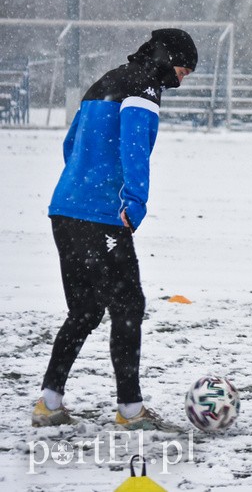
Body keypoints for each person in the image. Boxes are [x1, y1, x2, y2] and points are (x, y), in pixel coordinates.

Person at [32, 29, 198, 431]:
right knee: (128, 307)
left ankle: (49, 402)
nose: (183, 78)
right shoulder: (144, 87)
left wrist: (81, 182)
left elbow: (70, 145)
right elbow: (134, 146)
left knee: (85, 310)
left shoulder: (105, 80)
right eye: (183, 69)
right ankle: (130, 409)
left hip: (65, 209)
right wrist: (134, 202)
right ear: (167, 59)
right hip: (103, 217)